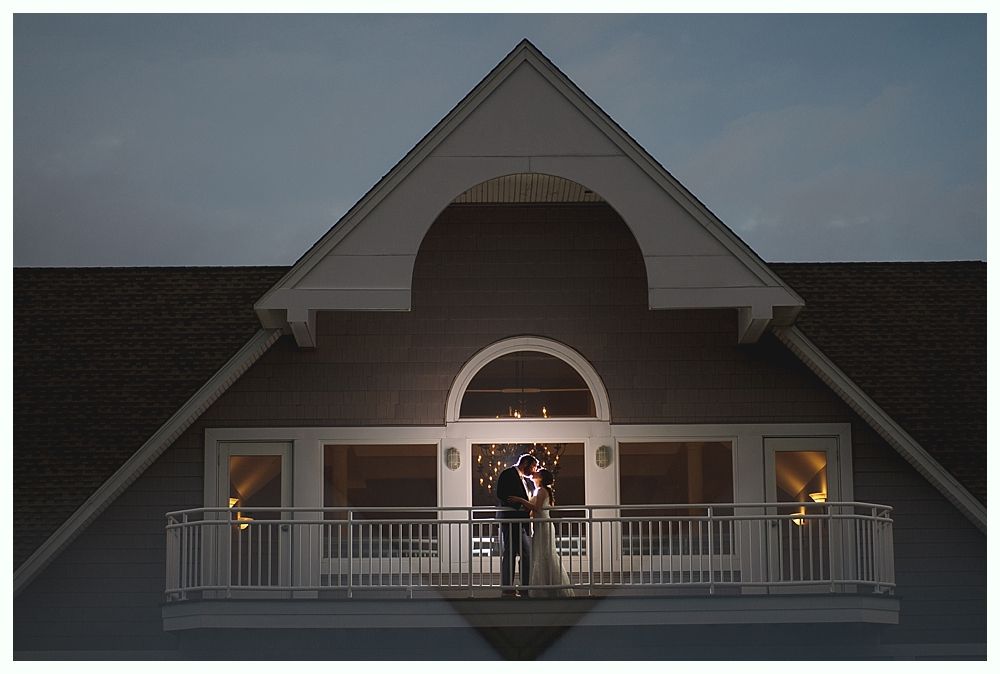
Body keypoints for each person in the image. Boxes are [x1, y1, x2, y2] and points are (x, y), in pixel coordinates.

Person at [508, 468, 575, 598]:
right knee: (539, 553)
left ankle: (550, 587)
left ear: (542, 478)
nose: (534, 473)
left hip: (544, 526)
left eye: (537, 472)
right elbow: (533, 508)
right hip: (539, 526)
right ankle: (544, 585)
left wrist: (520, 500)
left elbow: (537, 508)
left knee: (545, 554)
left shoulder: (542, 490)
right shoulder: (538, 490)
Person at [495, 453, 538, 598]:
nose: (534, 471)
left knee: (526, 554)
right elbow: (501, 494)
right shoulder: (508, 474)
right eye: (533, 467)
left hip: (523, 523)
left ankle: (525, 587)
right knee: (510, 553)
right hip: (511, 520)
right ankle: (508, 588)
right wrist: (519, 507)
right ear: (525, 463)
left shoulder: (525, 481)